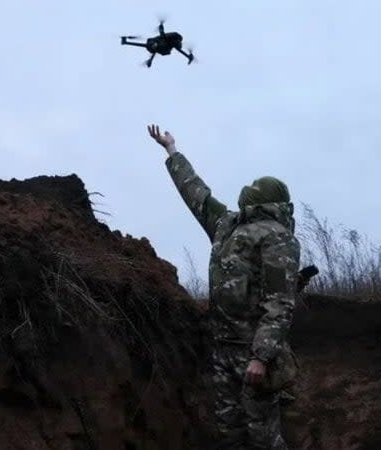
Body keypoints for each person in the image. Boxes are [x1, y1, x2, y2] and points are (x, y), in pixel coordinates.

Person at [148, 124, 300, 449]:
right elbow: (197, 194)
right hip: (223, 351)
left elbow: (280, 303)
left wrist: (261, 357)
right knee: (230, 434)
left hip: (252, 355)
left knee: (263, 436)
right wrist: (172, 150)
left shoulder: (277, 237)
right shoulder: (227, 225)